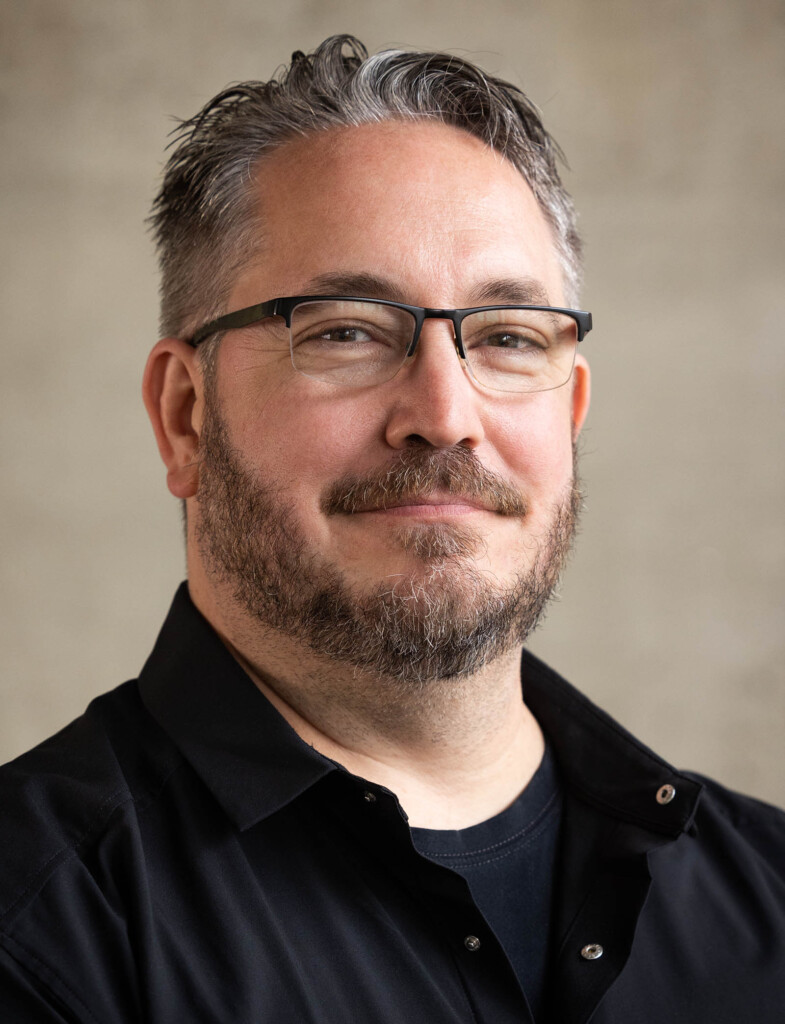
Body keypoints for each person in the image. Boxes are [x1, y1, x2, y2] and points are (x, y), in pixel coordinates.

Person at [1, 34, 783, 1024]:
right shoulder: (39, 930)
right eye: (345, 330)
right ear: (185, 415)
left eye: (506, 337)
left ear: (570, 411)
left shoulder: (766, 899)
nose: (446, 413)